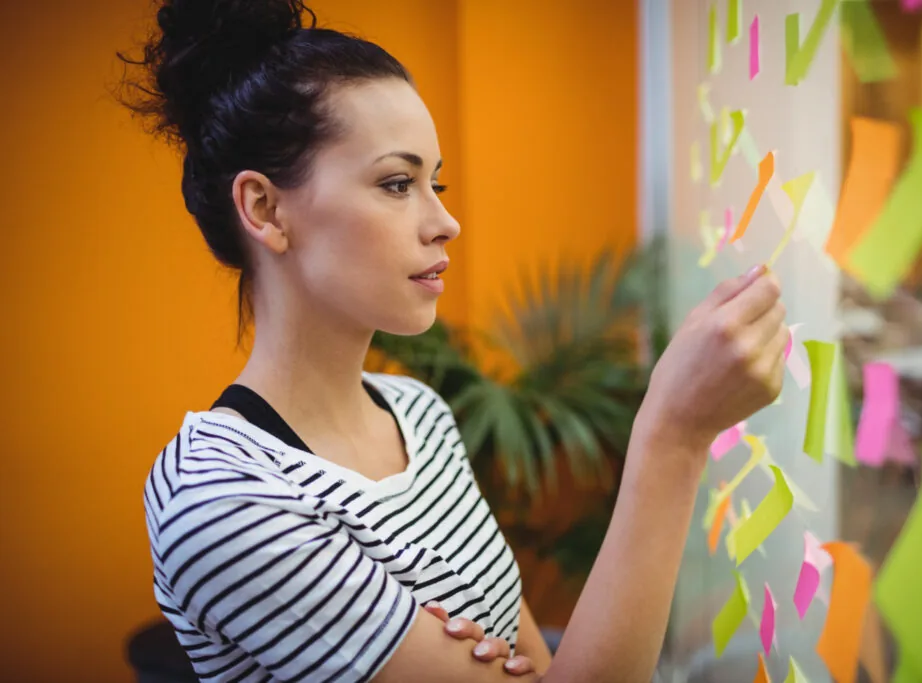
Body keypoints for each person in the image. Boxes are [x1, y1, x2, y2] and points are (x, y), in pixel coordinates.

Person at [120, 2, 787, 681]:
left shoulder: (418, 413)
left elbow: (542, 664)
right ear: (265, 208)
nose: (446, 222)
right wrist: (672, 436)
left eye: (434, 183)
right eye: (396, 183)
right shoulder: (223, 495)